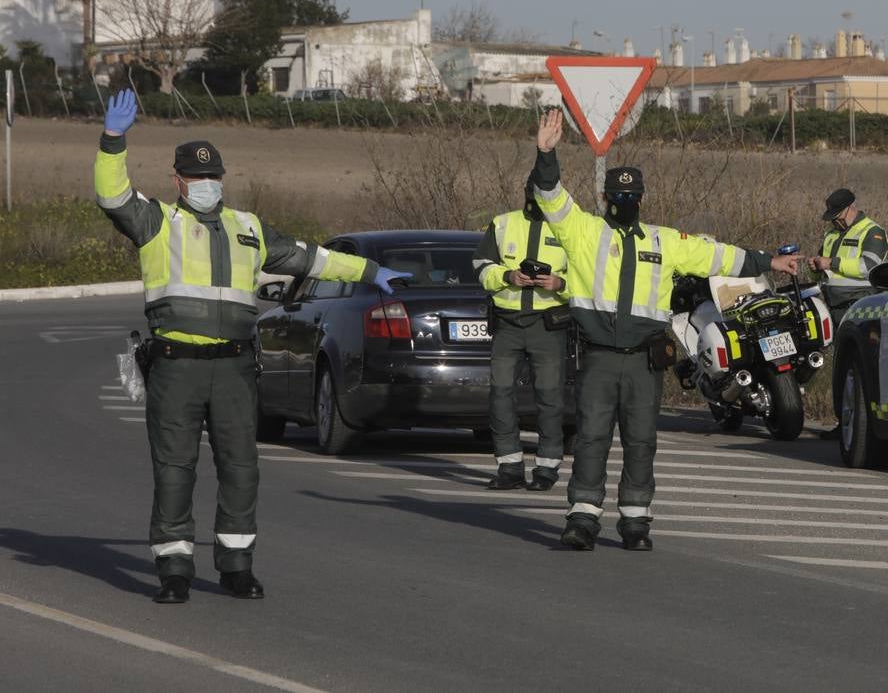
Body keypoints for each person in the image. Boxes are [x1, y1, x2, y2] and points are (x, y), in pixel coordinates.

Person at [93, 90, 410, 605]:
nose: (205, 185)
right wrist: (112, 141)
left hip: (236, 369)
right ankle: (174, 569)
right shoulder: (157, 223)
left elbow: (313, 259)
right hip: (176, 367)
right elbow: (112, 195)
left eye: (213, 177)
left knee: (241, 468)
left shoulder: (250, 229)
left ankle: (236, 566)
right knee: (174, 470)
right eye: (195, 178)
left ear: (223, 179)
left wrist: (372, 271)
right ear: (178, 181)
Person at [531, 109, 800, 552]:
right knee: (592, 437)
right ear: (604, 196)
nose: (625, 201)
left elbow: (718, 258)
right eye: (619, 194)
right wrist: (546, 153)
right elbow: (550, 195)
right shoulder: (583, 231)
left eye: (632, 194)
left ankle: (635, 521)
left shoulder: (663, 241)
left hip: (643, 361)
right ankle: (582, 519)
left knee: (641, 440)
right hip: (598, 355)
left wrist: (768, 261)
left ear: (642, 197)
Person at [473, 181, 571, 492]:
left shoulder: (569, 229)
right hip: (508, 325)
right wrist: (507, 276)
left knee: (550, 399)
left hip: (548, 325)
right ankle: (509, 467)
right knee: (501, 395)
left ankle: (546, 468)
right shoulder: (502, 223)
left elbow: (591, 277)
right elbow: (481, 267)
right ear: (526, 192)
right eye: (534, 193)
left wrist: (560, 283)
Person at [808, 188, 888, 439]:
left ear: (851, 208)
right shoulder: (832, 233)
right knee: (843, 368)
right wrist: (815, 267)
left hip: (860, 306)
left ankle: (862, 425)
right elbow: (824, 267)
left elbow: (870, 266)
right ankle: (844, 422)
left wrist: (831, 263)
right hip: (835, 307)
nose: (835, 220)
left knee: (859, 366)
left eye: (838, 215)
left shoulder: (873, 231)